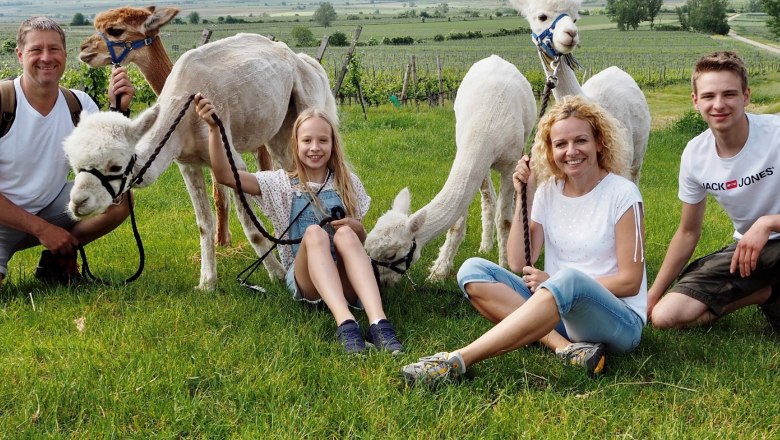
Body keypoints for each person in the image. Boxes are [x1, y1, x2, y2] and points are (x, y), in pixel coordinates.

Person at [402, 95, 647, 385]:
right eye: (560, 144)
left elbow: (630, 282)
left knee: (568, 279)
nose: (571, 151)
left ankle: (457, 361)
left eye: (581, 141)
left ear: (599, 142)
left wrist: (555, 283)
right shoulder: (548, 191)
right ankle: (566, 348)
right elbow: (518, 261)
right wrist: (525, 194)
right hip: (559, 309)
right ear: (549, 150)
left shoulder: (622, 194)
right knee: (472, 270)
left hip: (617, 321)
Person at [194, 94, 403, 355]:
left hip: (345, 275)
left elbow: (359, 242)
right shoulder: (280, 184)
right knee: (314, 233)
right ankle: (346, 323)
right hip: (308, 281)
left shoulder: (348, 183)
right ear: (296, 144)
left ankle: (379, 323)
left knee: (347, 234)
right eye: (307, 140)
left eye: (322, 140)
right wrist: (214, 129)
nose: (314, 147)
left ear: (333, 144)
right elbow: (225, 176)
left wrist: (355, 228)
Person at [648, 51, 780, 331]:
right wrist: (652, 296)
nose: (719, 105)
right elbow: (687, 232)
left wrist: (769, 223)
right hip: (750, 253)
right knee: (665, 316)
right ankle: (766, 293)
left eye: (729, 94)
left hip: (771, 238)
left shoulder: (776, 134)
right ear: (696, 101)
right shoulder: (695, 155)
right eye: (708, 96)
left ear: (746, 96)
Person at [0, 16, 135, 289]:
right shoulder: (4, 102)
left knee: (118, 198)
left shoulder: (78, 103)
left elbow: (111, 160)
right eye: (36, 50)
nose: (46, 57)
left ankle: (55, 261)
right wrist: (43, 230)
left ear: (64, 53)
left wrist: (118, 109)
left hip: (49, 207)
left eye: (54, 49)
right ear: (19, 55)